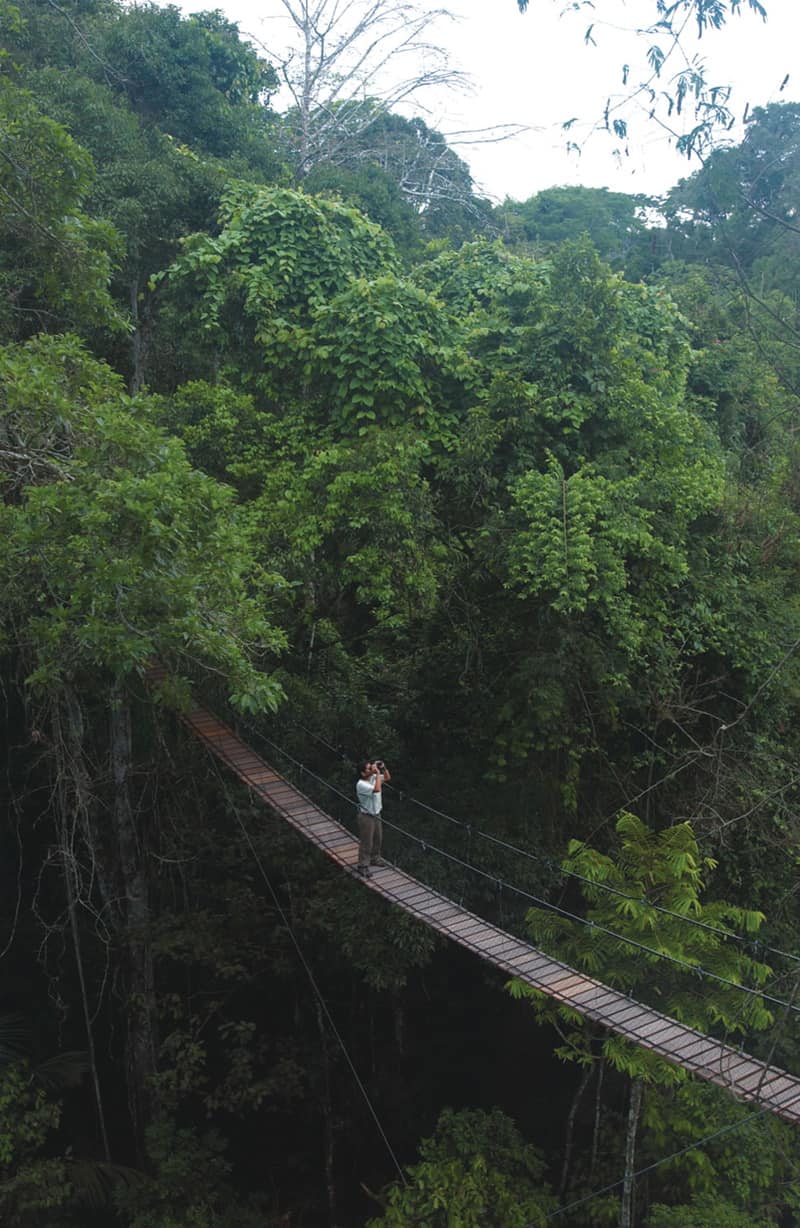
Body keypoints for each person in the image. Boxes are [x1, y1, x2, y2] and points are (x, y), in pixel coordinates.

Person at [355, 758, 391, 877]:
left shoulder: (372, 778)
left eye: (371, 767)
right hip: (366, 816)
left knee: (378, 838)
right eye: (369, 768)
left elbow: (387, 778)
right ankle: (362, 865)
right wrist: (376, 774)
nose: (372, 768)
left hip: (377, 813)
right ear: (363, 773)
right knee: (367, 841)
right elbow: (377, 789)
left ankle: (375, 858)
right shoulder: (361, 784)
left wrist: (383, 768)